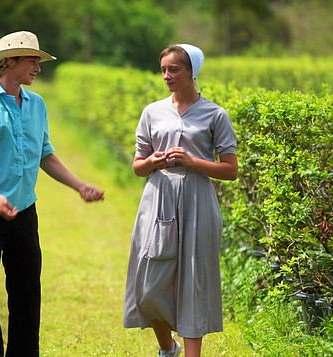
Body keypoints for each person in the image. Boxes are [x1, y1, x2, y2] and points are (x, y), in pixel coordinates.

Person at [0, 30, 104, 357]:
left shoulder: (37, 105)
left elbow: (45, 155)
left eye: (39, 61)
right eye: (33, 60)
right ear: (11, 61)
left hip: (24, 212)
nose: (38, 67)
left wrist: (79, 186)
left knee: (26, 290)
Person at [123, 44, 238, 357]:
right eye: (163, 69)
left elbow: (230, 170)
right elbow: (137, 166)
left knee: (194, 283)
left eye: (173, 69)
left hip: (197, 201)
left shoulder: (215, 114)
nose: (166, 76)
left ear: (192, 72)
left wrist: (191, 161)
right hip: (157, 199)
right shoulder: (152, 112)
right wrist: (155, 161)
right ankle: (167, 348)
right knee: (148, 285)